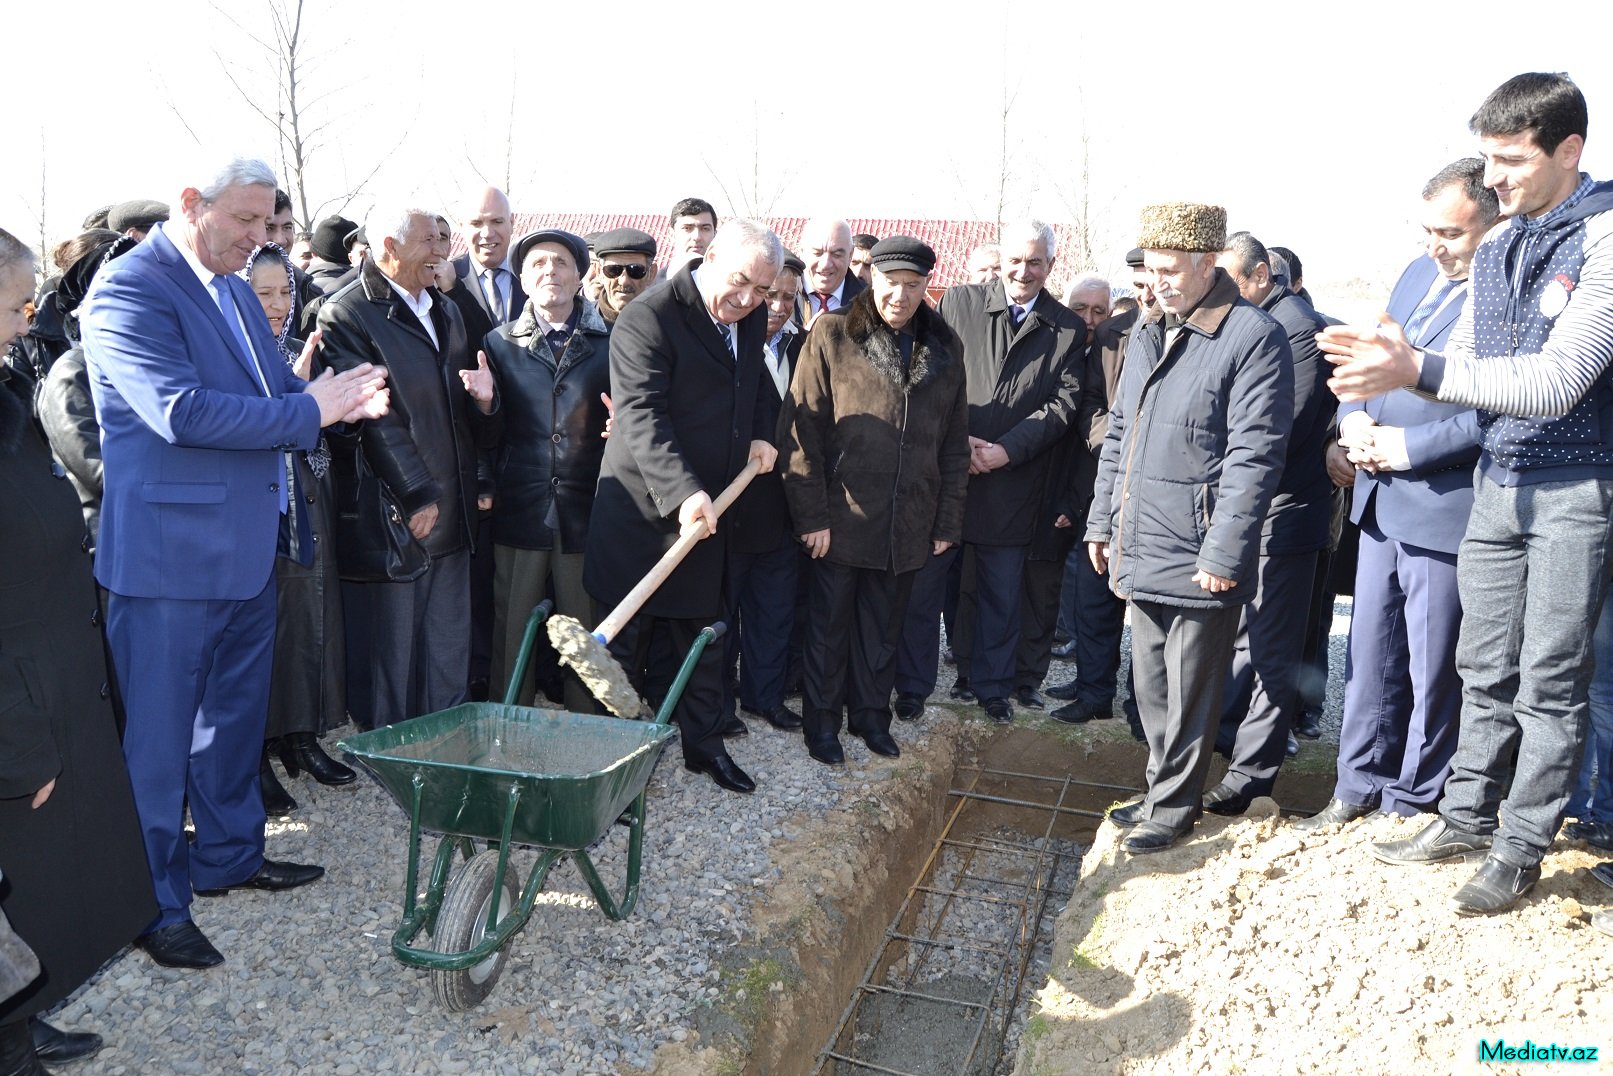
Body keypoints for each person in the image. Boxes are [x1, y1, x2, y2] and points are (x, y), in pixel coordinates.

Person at [79, 156, 390, 969]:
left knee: (231, 722)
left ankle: (227, 856)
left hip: (248, 547)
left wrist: (338, 398)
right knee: (157, 746)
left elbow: (273, 392)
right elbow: (178, 411)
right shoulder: (128, 289)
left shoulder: (232, 287)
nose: (260, 238)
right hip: (168, 561)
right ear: (192, 203)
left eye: (267, 223)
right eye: (245, 221)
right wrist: (309, 410)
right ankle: (153, 903)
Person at [1321, 73, 1613, 914]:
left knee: (1549, 679)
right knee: (1481, 666)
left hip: (1574, 488)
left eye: (1511, 160)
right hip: (1498, 482)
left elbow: (1556, 381)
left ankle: (1519, 849)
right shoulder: (1500, 243)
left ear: (1568, 150)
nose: (1494, 179)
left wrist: (1415, 368)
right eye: (1486, 159)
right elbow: (1480, 373)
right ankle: (1464, 817)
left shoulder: (1602, 238)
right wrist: (1384, 381)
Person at [1088, 202, 1293, 855]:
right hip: (1142, 536)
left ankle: (1175, 807)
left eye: (1171, 270)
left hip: (1200, 547)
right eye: (1151, 270)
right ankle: (1160, 791)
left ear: (1208, 264)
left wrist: (1224, 549)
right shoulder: (1150, 328)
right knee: (1149, 682)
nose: (1158, 283)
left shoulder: (1251, 336)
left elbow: (1254, 456)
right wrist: (1102, 522)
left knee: (1189, 688)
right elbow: (1120, 435)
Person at [1296, 159, 1493, 833]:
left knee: (1432, 668)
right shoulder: (1414, 275)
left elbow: (1497, 409)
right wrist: (1350, 422)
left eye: (1451, 234)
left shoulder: (1502, 293)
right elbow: (1366, 366)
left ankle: (1412, 800)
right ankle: (1355, 786)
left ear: (1491, 222)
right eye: (1427, 231)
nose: (1435, 246)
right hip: (1377, 499)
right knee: (1369, 657)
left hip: (1442, 506)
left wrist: (1407, 449)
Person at [0, 227, 153, 1075]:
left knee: (40, 887)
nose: (28, 322)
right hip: (16, 701)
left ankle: (15, 1019)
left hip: (47, 674)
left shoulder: (5, 394)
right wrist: (18, 741)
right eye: (15, 306)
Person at [584, 218, 782, 795]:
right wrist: (682, 492)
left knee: (702, 636)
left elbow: (754, 386)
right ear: (710, 258)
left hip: (710, 510)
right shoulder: (649, 317)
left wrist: (763, 431)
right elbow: (641, 415)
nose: (748, 300)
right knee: (624, 652)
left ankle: (704, 745)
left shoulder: (747, 317)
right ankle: (611, 770)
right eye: (740, 282)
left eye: (762, 291)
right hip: (642, 514)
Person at [781, 237, 969, 764]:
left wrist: (946, 521)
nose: (900, 296)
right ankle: (822, 725)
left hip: (908, 518)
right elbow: (801, 430)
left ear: (927, 286)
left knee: (884, 629)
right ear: (872, 279)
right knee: (828, 628)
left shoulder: (945, 345)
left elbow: (954, 443)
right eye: (891, 283)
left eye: (913, 285)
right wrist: (811, 516)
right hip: (842, 516)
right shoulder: (834, 332)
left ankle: (870, 717)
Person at [897, 220, 1084, 723]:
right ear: (1002, 261)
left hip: (1013, 481)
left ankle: (993, 688)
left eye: (1035, 262)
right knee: (925, 589)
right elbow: (927, 376)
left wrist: (1007, 450)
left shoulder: (1067, 327)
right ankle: (911, 686)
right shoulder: (959, 302)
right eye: (1015, 260)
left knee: (1002, 593)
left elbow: (1062, 405)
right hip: (947, 476)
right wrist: (957, 440)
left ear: (1051, 264)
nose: (1023, 271)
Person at [319, 207, 493, 729]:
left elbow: (459, 405)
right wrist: (416, 493)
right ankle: (388, 751)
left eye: (442, 238)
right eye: (428, 241)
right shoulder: (347, 313)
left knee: (447, 641)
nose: (441, 251)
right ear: (389, 248)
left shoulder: (447, 309)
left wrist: (487, 408)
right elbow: (374, 415)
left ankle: (445, 741)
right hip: (396, 511)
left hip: (454, 505)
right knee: (392, 652)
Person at [1204, 231, 1335, 816]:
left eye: (1231, 280)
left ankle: (1253, 775)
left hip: (1283, 514)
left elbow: (1283, 427)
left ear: (1260, 276)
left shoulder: (1295, 329)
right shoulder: (1259, 321)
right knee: (1243, 637)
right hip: (1253, 510)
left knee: (1272, 646)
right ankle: (1230, 744)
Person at [241, 243, 356, 803]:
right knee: (260, 630)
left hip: (309, 500)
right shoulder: (230, 356)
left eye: (285, 291)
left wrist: (321, 399)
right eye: (263, 293)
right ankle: (256, 750)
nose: (277, 303)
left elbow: (339, 429)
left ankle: (302, 736)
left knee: (309, 618)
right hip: (254, 511)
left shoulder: (300, 348)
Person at [478, 228, 611, 713]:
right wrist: (485, 406)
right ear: (522, 279)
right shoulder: (497, 344)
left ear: (580, 276)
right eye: (537, 263)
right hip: (522, 501)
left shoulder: (611, 340)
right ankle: (507, 721)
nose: (549, 271)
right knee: (513, 623)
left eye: (560, 262)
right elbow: (487, 434)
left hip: (587, 504)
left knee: (586, 628)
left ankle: (589, 725)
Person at [1049, 249, 1152, 738]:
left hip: (1156, 494)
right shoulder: (1111, 336)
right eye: (1141, 282)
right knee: (1094, 596)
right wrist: (1117, 443)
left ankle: (1142, 706)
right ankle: (1094, 693)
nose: (1149, 291)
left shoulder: (1195, 334)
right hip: (1105, 482)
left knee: (1147, 613)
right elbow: (1090, 402)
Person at [723, 252, 808, 733]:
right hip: (732, 506)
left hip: (785, 507)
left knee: (773, 611)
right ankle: (719, 705)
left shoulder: (805, 347)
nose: (778, 306)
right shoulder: (728, 343)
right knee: (723, 613)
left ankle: (765, 697)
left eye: (788, 297)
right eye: (770, 294)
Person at [451, 187, 524, 329]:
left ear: (511, 223)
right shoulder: (444, 282)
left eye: (497, 221)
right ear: (462, 227)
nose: (487, 233)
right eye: (476, 224)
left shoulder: (536, 275)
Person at [797, 218, 867, 328]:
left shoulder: (869, 302)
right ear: (802, 252)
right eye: (817, 253)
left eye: (836, 255)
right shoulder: (777, 294)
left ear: (850, 255)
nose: (826, 264)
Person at [592, 227, 659, 325]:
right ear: (599, 271)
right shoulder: (578, 323)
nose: (624, 281)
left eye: (635, 270)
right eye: (613, 270)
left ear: (652, 273)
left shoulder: (666, 325)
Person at [665, 196, 718, 274]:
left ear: (715, 235)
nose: (697, 237)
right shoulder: (652, 281)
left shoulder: (729, 279)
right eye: (687, 228)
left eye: (705, 229)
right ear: (672, 235)